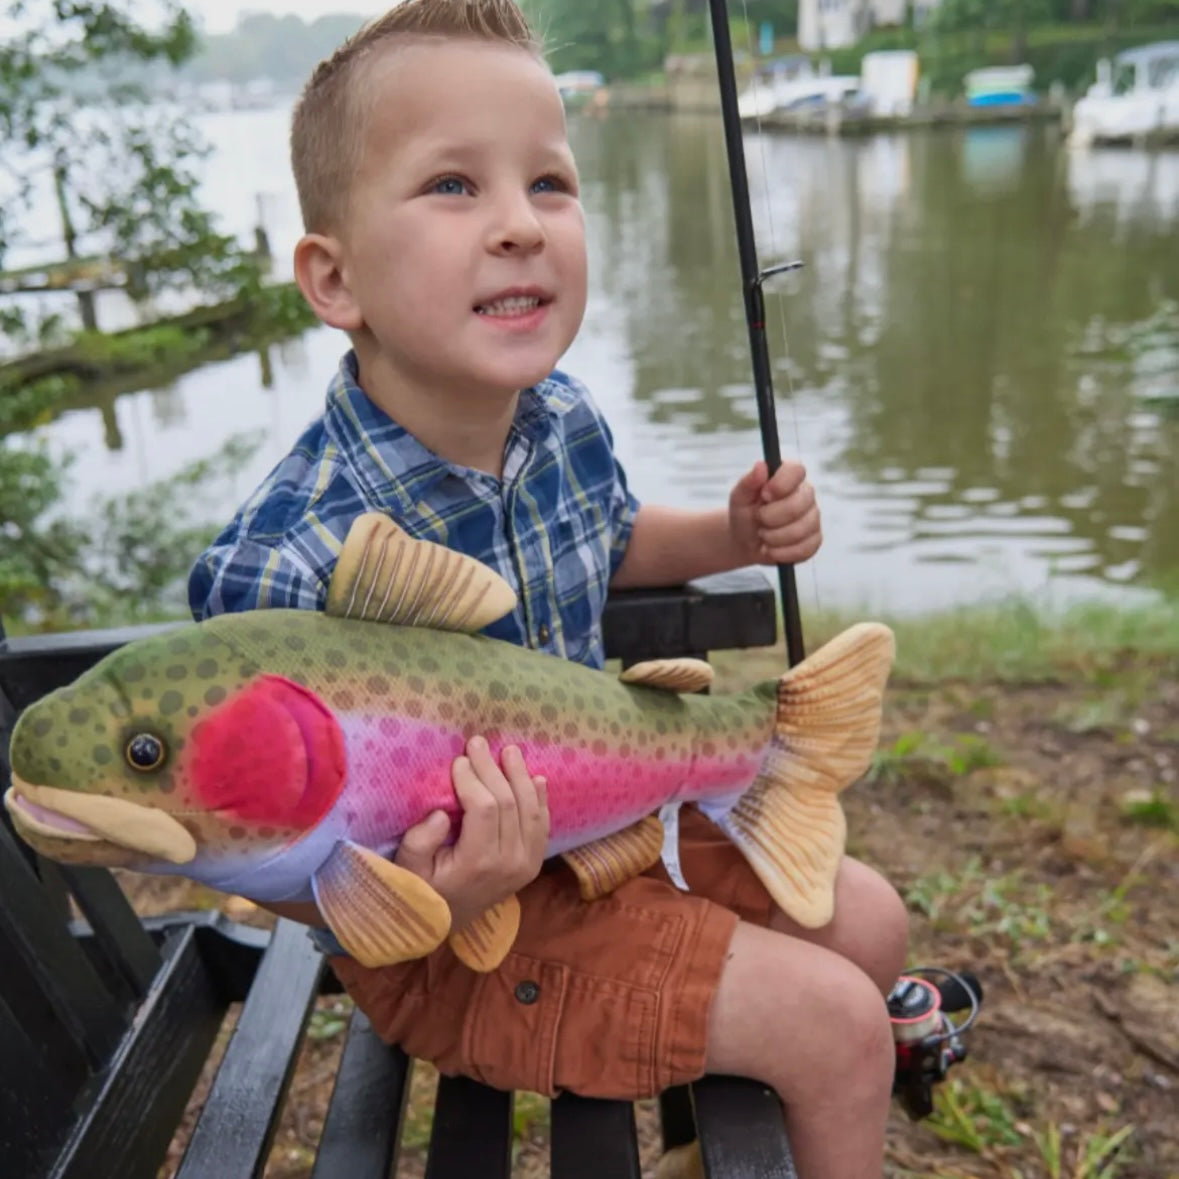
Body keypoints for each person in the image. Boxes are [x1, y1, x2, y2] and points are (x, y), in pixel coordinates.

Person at [187, 3, 908, 1176]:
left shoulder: (560, 419)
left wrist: (729, 531)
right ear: (334, 275)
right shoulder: (284, 568)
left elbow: (611, 541)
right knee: (837, 1031)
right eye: (454, 187)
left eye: (551, 185)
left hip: (606, 817)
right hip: (450, 937)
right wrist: (431, 888)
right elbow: (252, 838)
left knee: (873, 924)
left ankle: (714, 1122)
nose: (521, 226)